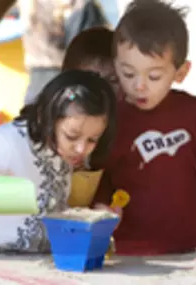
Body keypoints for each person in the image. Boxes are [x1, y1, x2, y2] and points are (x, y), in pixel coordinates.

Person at [91, 0, 196, 255]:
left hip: (186, 242)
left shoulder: (190, 109)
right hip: (129, 246)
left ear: (180, 72)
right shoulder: (113, 119)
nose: (139, 85)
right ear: (116, 65)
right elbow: (100, 172)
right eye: (128, 73)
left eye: (154, 76)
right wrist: (101, 205)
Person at [0, 70, 116, 252]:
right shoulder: (7, 143)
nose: (81, 149)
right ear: (44, 117)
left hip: (35, 263)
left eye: (92, 140)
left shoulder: (61, 152)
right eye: (72, 136)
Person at [61, 27, 120, 207]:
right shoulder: (51, 126)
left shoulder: (126, 129)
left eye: (113, 80)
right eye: (90, 78)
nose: (101, 90)